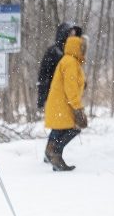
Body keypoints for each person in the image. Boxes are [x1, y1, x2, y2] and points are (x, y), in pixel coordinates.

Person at [43, 33, 88, 171]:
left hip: (60, 104)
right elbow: (71, 87)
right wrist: (77, 107)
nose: (84, 51)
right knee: (74, 128)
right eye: (83, 48)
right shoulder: (70, 63)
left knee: (58, 129)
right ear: (77, 48)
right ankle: (54, 153)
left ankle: (53, 155)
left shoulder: (68, 60)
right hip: (63, 104)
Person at [37, 22, 83, 112]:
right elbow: (44, 76)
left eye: (74, 34)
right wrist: (42, 97)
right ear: (64, 34)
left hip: (68, 98)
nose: (72, 37)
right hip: (55, 95)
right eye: (70, 34)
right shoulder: (53, 52)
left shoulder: (73, 53)